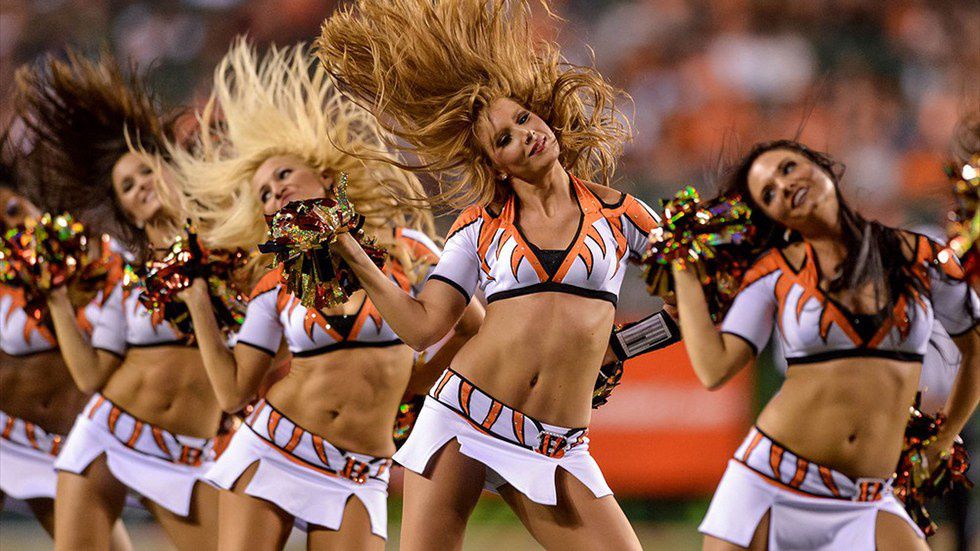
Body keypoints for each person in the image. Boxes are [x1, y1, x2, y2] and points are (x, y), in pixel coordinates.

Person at [317, 1, 658, 548]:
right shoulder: (480, 226)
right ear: (495, 164)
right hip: (463, 419)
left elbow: (702, 298)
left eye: (523, 118)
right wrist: (353, 253)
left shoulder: (625, 215)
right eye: (503, 138)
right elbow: (424, 327)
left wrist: (620, 345)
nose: (525, 134)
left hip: (556, 444)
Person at [170, 40, 483, 550]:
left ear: (326, 176)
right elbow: (234, 394)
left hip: (358, 471)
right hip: (273, 448)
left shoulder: (405, 250)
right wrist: (199, 304)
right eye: (265, 193)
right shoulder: (275, 283)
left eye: (283, 174)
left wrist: (414, 383)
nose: (276, 191)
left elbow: (472, 324)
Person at [670, 139, 979, 550]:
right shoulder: (774, 272)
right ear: (773, 216)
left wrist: (943, 439)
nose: (784, 186)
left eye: (788, 168)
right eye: (769, 194)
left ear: (822, 167)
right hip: (769, 483)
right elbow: (715, 368)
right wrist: (682, 267)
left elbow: (976, 347)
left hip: (866, 498)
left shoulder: (922, 256)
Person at [16, 51, 222, 550]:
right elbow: (91, 377)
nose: (140, 186)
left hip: (186, 455)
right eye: (127, 187)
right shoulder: (127, 279)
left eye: (145, 172)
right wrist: (57, 303)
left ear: (171, 169)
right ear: (126, 210)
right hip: (108, 438)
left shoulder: (228, 250)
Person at [0, 132, 132, 551]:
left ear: (37, 202)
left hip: (62, 447)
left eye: (14, 210)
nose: (12, 227)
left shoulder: (102, 260)